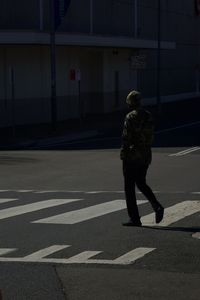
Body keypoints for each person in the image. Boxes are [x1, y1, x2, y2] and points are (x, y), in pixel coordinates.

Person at [120, 90, 164, 226]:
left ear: (130, 103)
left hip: (132, 155)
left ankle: (135, 218)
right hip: (146, 154)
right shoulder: (148, 115)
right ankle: (156, 205)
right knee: (141, 182)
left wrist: (124, 153)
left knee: (129, 186)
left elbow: (126, 138)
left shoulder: (130, 117)